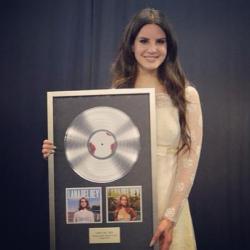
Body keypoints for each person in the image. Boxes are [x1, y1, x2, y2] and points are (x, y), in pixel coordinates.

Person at [42, 8, 203, 250]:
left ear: (169, 46)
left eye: (160, 41)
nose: (152, 48)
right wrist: (59, 151)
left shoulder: (186, 95)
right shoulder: (117, 97)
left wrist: (170, 217)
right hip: (128, 209)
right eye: (144, 40)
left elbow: (190, 159)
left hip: (171, 208)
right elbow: (98, 153)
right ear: (131, 45)